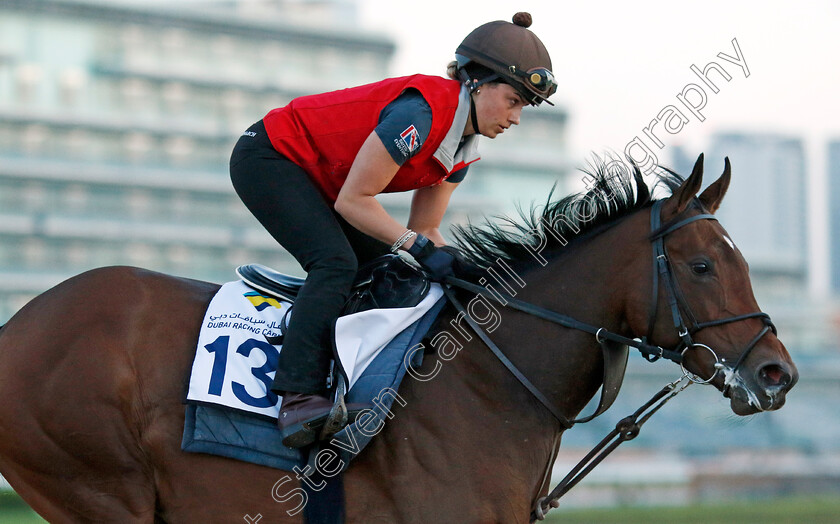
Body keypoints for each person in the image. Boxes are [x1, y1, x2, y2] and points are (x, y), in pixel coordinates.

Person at [229, 12, 556, 448]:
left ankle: (347, 381)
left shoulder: (461, 150)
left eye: (524, 107)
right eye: (514, 101)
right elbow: (356, 203)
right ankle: (298, 396)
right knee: (335, 262)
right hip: (270, 157)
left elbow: (426, 228)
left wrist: (468, 275)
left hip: (322, 179)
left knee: (384, 269)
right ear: (476, 82)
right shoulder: (421, 114)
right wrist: (418, 248)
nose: (516, 118)